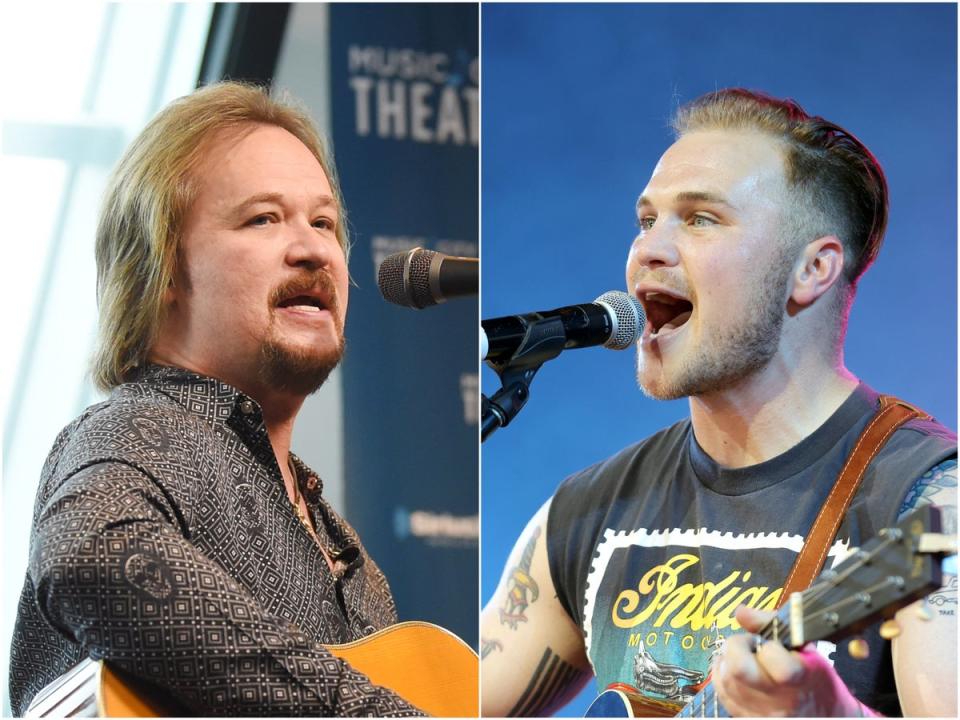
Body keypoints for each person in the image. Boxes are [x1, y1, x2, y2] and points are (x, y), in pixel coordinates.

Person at [480, 89, 957, 717]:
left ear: (812, 269)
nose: (646, 250)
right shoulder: (585, 513)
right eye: (648, 220)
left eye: (701, 218)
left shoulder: (931, 505)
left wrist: (827, 712)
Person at [8, 82, 424, 716]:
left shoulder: (359, 569)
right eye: (263, 218)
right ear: (164, 272)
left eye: (324, 223)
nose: (314, 248)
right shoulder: (143, 429)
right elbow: (93, 554)